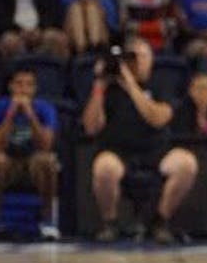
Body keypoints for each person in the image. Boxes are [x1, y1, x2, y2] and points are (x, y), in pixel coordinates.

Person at [84, 37, 199, 245]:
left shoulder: (162, 84)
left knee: (186, 163)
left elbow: (157, 118)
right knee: (104, 167)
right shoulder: (110, 87)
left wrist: (130, 85)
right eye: (132, 56)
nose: (137, 61)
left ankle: (161, 221)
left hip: (156, 149)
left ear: (151, 59)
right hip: (118, 150)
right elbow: (91, 127)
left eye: (142, 56)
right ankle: (110, 222)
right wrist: (98, 86)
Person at [0, 68, 60, 241]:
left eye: (29, 85)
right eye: (19, 84)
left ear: (34, 89)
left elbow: (46, 145)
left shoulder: (45, 109)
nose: (23, 90)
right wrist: (10, 114)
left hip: (32, 161)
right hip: (9, 161)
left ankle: (48, 221)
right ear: (10, 87)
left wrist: (31, 116)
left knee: (47, 162)